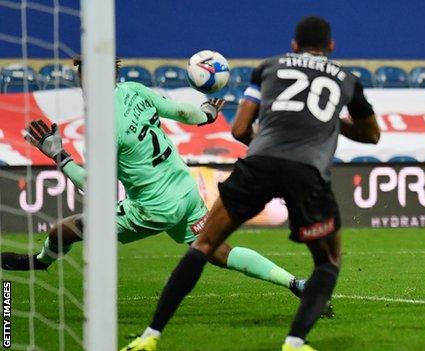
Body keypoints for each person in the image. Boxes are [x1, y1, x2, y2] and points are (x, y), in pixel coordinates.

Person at [121, 16, 380, 351]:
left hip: (259, 163)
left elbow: (240, 129)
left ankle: (150, 337)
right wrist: (330, 119)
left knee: (203, 244)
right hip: (307, 172)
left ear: (293, 46)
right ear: (331, 47)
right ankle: (295, 342)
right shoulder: (347, 80)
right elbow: (372, 135)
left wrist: (267, 144)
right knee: (327, 262)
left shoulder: (268, 68)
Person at [3, 57, 308, 300]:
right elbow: (182, 112)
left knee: (62, 231)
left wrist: (58, 155)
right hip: (185, 193)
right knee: (217, 250)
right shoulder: (135, 90)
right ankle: (294, 282)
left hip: (152, 209)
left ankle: (41, 262)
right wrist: (207, 114)